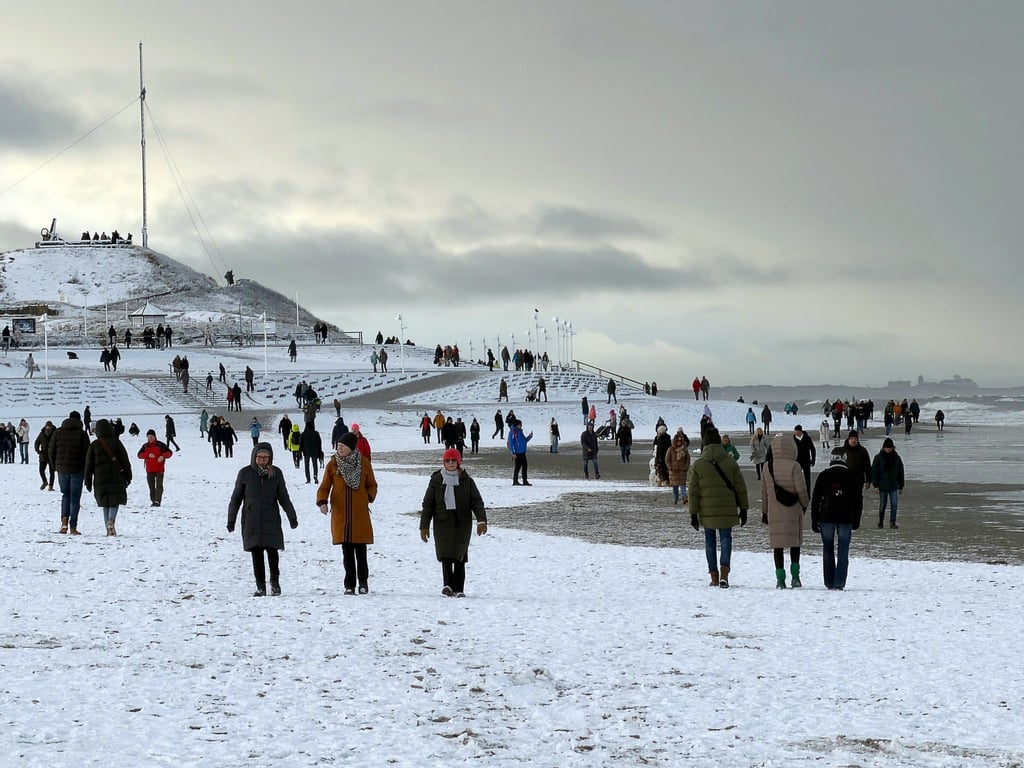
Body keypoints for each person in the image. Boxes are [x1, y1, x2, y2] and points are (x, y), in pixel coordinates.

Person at [227, 443, 298, 597]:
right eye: (259, 457)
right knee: (256, 553)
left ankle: (275, 583)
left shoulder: (276, 474)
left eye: (266, 457)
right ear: (254, 457)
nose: (262, 460)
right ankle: (260, 586)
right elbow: (236, 498)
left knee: (273, 553)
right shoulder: (245, 473)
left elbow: (284, 497)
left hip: (271, 518)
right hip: (251, 519)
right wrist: (231, 519)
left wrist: (292, 516)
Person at [419, 448, 489, 597]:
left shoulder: (467, 481)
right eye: (447, 461)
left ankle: (459, 589)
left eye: (453, 460)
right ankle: (447, 586)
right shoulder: (436, 480)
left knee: (460, 556)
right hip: (442, 523)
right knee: (445, 556)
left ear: (458, 462)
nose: (450, 463)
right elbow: (428, 504)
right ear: (443, 462)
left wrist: (481, 520)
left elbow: (476, 502)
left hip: (461, 524)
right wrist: (424, 526)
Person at [687, 428, 749, 588]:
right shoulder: (730, 461)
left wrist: (693, 513)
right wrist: (743, 509)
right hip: (727, 509)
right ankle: (724, 574)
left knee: (710, 541)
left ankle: (714, 576)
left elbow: (693, 492)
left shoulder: (699, 464)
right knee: (726, 538)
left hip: (706, 510)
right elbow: (740, 487)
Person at [317, 432, 378, 595]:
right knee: (347, 552)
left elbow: (372, 484)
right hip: (341, 515)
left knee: (361, 551)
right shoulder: (333, 464)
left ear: (351, 448)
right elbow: (324, 486)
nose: (340, 448)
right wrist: (322, 501)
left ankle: (363, 582)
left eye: (343, 446)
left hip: (359, 515)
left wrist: (368, 498)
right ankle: (349, 584)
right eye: (338, 446)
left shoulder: (364, 463)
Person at [761, 435, 810, 589]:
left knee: (778, 546)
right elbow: (801, 490)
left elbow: (764, 493)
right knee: (794, 544)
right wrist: (805, 504)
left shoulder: (766, 466)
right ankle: (795, 577)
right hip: (793, 509)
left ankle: (780, 579)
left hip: (774, 511)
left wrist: (765, 512)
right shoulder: (794, 466)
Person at [811, 453, 863, 590]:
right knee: (843, 549)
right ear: (844, 460)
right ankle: (839, 582)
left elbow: (815, 499)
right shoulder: (852, 476)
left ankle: (829, 581)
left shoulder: (823, 475)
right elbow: (858, 501)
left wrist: (814, 519)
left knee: (828, 549)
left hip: (826, 517)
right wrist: (856, 520)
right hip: (846, 518)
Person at [84, 418, 132, 536]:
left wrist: (88, 481)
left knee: (104, 503)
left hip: (100, 479)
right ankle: (111, 521)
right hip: (116, 477)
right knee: (114, 502)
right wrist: (128, 476)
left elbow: (88, 465)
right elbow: (125, 460)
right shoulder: (116, 442)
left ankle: (107, 528)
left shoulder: (94, 445)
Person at [49, 410, 91, 535]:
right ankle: (73, 527)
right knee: (75, 498)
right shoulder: (82, 434)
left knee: (65, 495)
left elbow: (51, 450)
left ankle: (63, 524)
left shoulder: (58, 432)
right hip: (77, 470)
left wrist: (55, 466)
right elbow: (87, 453)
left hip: (61, 470)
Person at [871, 437, 905, 529]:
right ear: (883, 448)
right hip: (882, 486)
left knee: (894, 504)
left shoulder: (897, 458)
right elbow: (874, 471)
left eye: (890, 447)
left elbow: (901, 471)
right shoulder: (878, 458)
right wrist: (875, 485)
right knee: (882, 505)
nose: (888, 449)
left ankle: (892, 522)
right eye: (887, 447)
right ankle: (881, 522)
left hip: (894, 485)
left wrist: (901, 485)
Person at [137, 429, 173, 507]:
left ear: (154, 436)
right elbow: (139, 455)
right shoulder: (145, 446)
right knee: (151, 487)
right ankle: (153, 500)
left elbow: (169, 453)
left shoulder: (160, 445)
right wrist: (147, 455)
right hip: (149, 469)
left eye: (151, 437)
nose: (150, 438)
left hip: (159, 469)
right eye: (148, 437)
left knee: (159, 486)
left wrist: (163, 456)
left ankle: (157, 501)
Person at [665, 430, 690, 505]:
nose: (679, 443)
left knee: (683, 485)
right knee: (675, 486)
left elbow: (687, 459)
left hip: (682, 470)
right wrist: (670, 467)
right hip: (673, 471)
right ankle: (675, 499)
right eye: (677, 441)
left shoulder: (684, 449)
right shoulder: (671, 449)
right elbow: (667, 459)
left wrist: (686, 467)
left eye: (680, 441)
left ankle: (684, 497)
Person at [507, 419, 533, 486]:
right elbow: (511, 443)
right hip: (517, 453)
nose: (521, 426)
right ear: (517, 425)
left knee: (525, 466)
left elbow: (524, 440)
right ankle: (515, 481)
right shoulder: (513, 432)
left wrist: (529, 437)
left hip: (522, 452)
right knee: (517, 467)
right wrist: (513, 452)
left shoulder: (520, 432)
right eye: (520, 425)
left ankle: (525, 480)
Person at [792, 425, 816, 494]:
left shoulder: (807, 438)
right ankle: (797, 492)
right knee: (796, 478)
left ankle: (808, 493)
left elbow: (812, 449)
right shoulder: (793, 439)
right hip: (797, 461)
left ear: (800, 431)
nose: (796, 433)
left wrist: (813, 459)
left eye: (797, 431)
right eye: (795, 431)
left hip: (806, 461)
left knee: (807, 478)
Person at [34, 420, 57, 490]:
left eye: (49, 427)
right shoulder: (42, 433)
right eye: (47, 427)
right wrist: (38, 450)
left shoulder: (55, 433)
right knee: (41, 470)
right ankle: (45, 481)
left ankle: (51, 486)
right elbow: (37, 442)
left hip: (52, 455)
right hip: (43, 454)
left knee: (52, 472)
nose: (48, 428)